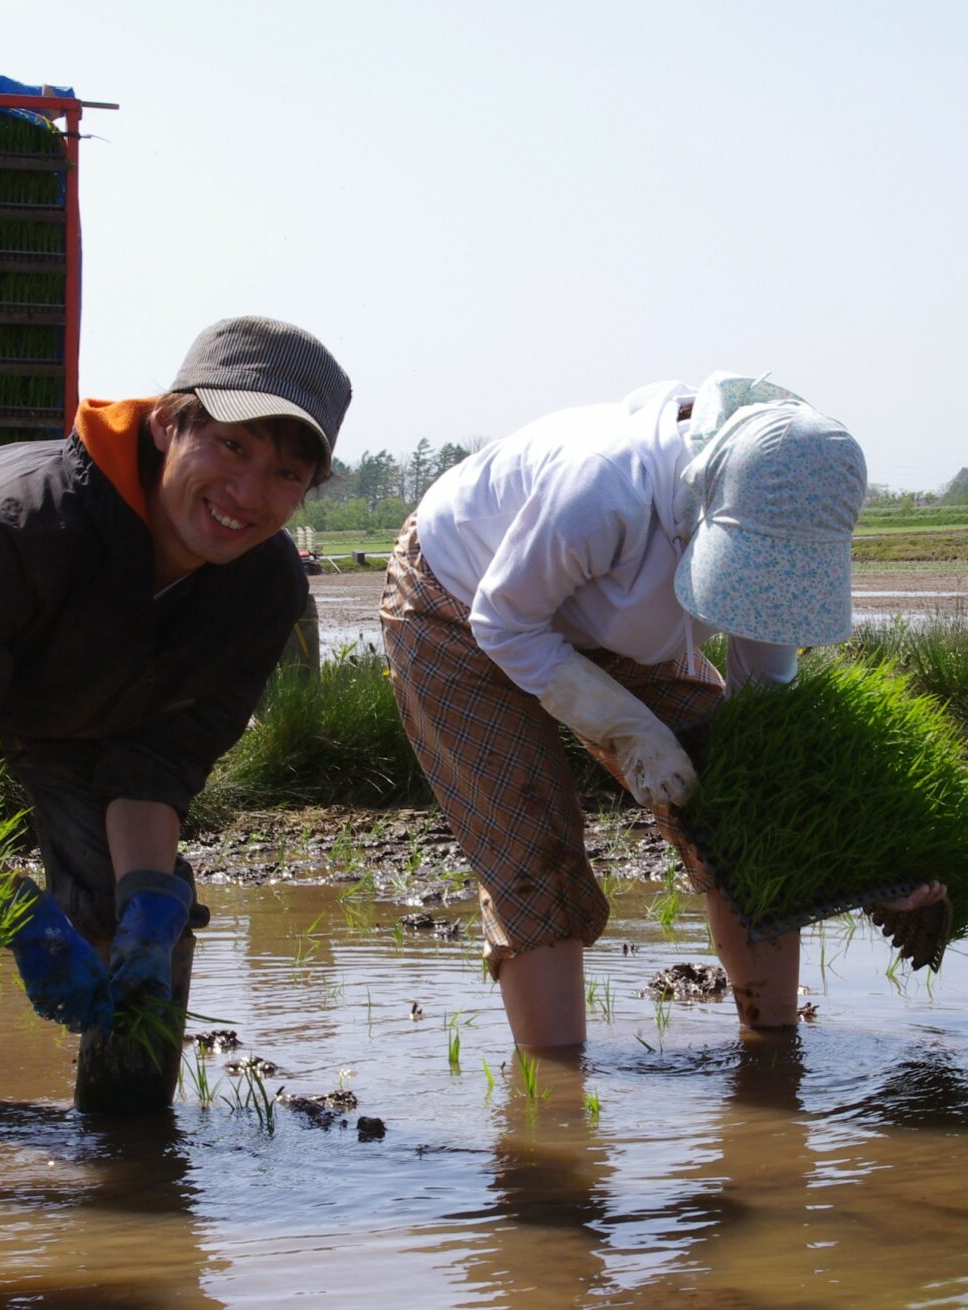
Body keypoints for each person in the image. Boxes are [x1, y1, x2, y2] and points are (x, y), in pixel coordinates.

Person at [0, 316, 352, 1111]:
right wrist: (5, 904)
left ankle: (130, 1161)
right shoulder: (20, 525)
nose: (246, 494)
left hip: (79, 708)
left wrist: (147, 907)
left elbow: (157, 761)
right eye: (232, 447)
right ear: (170, 423)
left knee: (135, 910)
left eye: (286, 474)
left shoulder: (263, 593)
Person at [379, 374, 939, 1052]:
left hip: (601, 618)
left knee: (734, 805)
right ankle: (557, 1109)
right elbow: (505, 623)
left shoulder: (783, 519)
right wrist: (628, 729)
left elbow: (761, 708)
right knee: (531, 846)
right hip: (459, 605)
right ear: (707, 507)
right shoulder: (604, 489)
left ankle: (772, 1050)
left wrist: (869, 858)